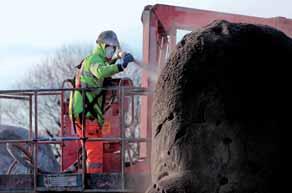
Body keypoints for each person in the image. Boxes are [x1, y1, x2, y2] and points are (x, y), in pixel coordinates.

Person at [68, 30, 134, 173]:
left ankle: (92, 178)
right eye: (111, 48)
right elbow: (101, 71)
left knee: (92, 148)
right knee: (95, 150)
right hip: (87, 113)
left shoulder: (94, 59)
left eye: (115, 49)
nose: (113, 51)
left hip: (83, 112)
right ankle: (95, 182)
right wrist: (121, 66)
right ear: (103, 46)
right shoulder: (94, 60)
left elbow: (105, 65)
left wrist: (117, 57)